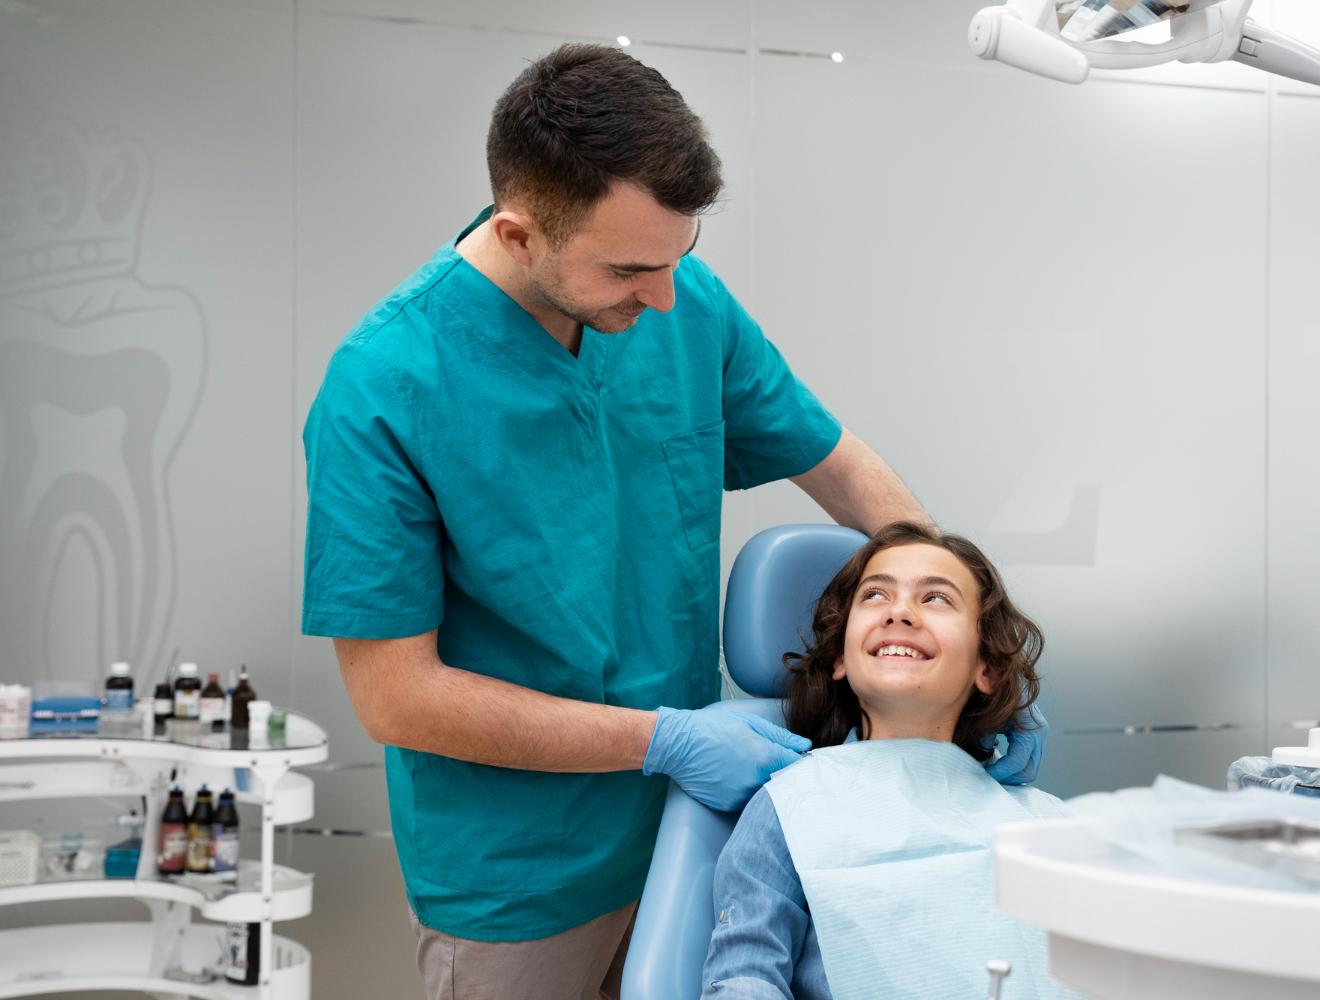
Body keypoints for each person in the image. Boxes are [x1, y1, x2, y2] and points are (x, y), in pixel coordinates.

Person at [302, 44, 1045, 1000]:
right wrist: (665, 740)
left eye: (676, 257)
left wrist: (976, 631)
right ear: (520, 234)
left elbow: (843, 466)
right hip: (521, 874)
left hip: (695, 837)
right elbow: (396, 698)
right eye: (625, 270)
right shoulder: (386, 388)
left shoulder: (679, 300)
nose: (661, 298)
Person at [702, 521, 1073, 999]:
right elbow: (744, 978)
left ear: (988, 668)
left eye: (937, 598)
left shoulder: (1047, 823)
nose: (900, 612)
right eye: (875, 595)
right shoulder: (790, 807)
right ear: (839, 657)